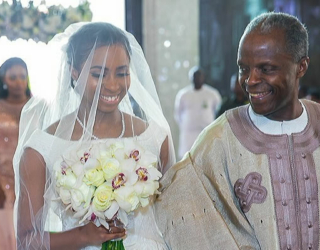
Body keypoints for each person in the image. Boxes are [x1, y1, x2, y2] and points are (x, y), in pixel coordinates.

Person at [156, 12, 320, 249]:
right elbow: (174, 210)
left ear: (301, 67)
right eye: (243, 68)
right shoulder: (218, 140)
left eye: (266, 69)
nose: (250, 80)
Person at [13, 22, 175, 249]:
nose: (112, 85)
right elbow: (27, 240)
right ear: (74, 72)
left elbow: (175, 221)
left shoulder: (155, 138)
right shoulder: (42, 148)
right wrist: (83, 236)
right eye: (99, 74)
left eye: (122, 73)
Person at [0, 57, 31, 250]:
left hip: (29, 176)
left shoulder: (37, 107)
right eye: (13, 77)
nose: (19, 82)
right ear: (3, 79)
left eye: (22, 77)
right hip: (3, 181)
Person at [174, 67, 221, 159]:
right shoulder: (183, 94)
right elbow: (178, 114)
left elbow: (217, 111)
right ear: (191, 78)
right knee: (187, 159)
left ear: (203, 77)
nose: (197, 79)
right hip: (188, 133)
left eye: (199, 76)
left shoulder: (212, 93)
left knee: (206, 157)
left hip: (206, 132)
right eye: (194, 77)